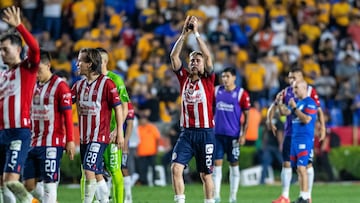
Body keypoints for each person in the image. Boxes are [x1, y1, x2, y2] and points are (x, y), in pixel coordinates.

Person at [170, 15, 216, 203]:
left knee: (205, 175)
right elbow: (173, 56)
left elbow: (207, 55)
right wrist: (183, 34)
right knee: (175, 168)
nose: (195, 62)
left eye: (198, 60)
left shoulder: (208, 80)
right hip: (187, 133)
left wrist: (196, 33)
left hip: (206, 133)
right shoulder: (184, 78)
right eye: (192, 60)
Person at [71, 48, 124, 203]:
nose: (77, 64)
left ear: (90, 64)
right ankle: (105, 201)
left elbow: (118, 107)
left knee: (88, 170)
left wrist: (119, 131)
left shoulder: (107, 83)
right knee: (97, 172)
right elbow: (66, 102)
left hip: (99, 136)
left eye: (81, 60)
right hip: (84, 138)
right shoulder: (78, 85)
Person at [23, 50, 76, 203]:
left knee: (49, 185)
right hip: (33, 142)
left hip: (52, 142)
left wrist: (70, 140)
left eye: (38, 70)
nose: (36, 73)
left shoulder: (60, 86)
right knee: (29, 185)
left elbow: (67, 116)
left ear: (48, 65)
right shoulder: (33, 84)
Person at [266, 67, 326, 203]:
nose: (291, 80)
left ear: (301, 77)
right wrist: (270, 119)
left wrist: (322, 127)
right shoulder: (287, 92)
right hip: (290, 133)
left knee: (306, 165)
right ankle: (285, 196)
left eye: (294, 77)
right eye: (289, 77)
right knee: (287, 164)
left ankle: (307, 195)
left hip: (304, 135)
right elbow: (280, 110)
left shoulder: (309, 92)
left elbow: (318, 110)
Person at [0, 6, 40, 203]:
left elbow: (35, 49)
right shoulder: (3, 76)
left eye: (5, 49)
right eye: (0, 49)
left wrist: (20, 27)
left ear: (17, 49)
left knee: (12, 182)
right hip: (1, 133)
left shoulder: (27, 69)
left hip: (18, 132)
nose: (2, 53)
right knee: (3, 183)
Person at [212, 67, 250, 203]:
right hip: (218, 135)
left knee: (234, 164)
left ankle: (233, 197)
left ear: (234, 77)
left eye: (227, 76)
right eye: (223, 76)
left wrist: (243, 134)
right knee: (216, 165)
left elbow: (247, 116)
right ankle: (216, 196)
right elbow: (210, 110)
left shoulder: (241, 94)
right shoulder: (216, 91)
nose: (225, 79)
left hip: (233, 135)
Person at [278, 80, 318, 203]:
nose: (294, 90)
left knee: (302, 168)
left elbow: (306, 119)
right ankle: (302, 196)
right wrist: (280, 103)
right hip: (295, 139)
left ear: (304, 88)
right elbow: (285, 112)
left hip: (304, 139)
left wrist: (295, 108)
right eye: (293, 88)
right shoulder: (298, 102)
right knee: (298, 169)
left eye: (296, 88)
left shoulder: (310, 103)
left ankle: (306, 197)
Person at [121, 102, 135, 203]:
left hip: (122, 141)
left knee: (123, 167)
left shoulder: (128, 105)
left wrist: (126, 142)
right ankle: (107, 196)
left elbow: (130, 125)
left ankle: (128, 195)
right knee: (107, 168)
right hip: (109, 140)